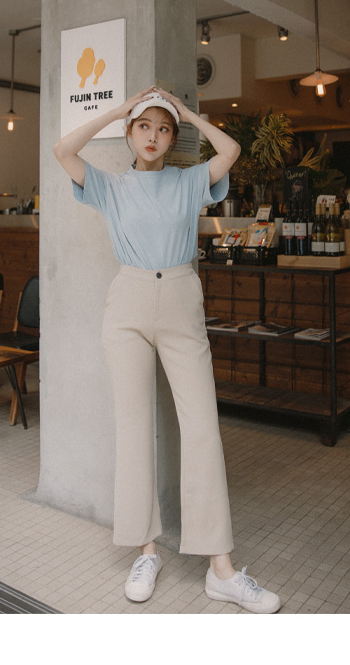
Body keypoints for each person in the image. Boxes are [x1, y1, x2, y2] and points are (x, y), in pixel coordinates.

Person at [53, 87, 282, 614]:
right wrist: (119, 109)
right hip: (128, 304)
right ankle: (146, 551)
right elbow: (63, 150)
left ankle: (221, 570)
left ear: (172, 137)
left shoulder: (189, 180)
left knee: (201, 428)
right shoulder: (109, 186)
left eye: (162, 128)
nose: (153, 136)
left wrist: (187, 114)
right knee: (134, 427)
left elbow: (230, 151)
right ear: (130, 134)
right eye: (143, 127)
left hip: (180, 298)